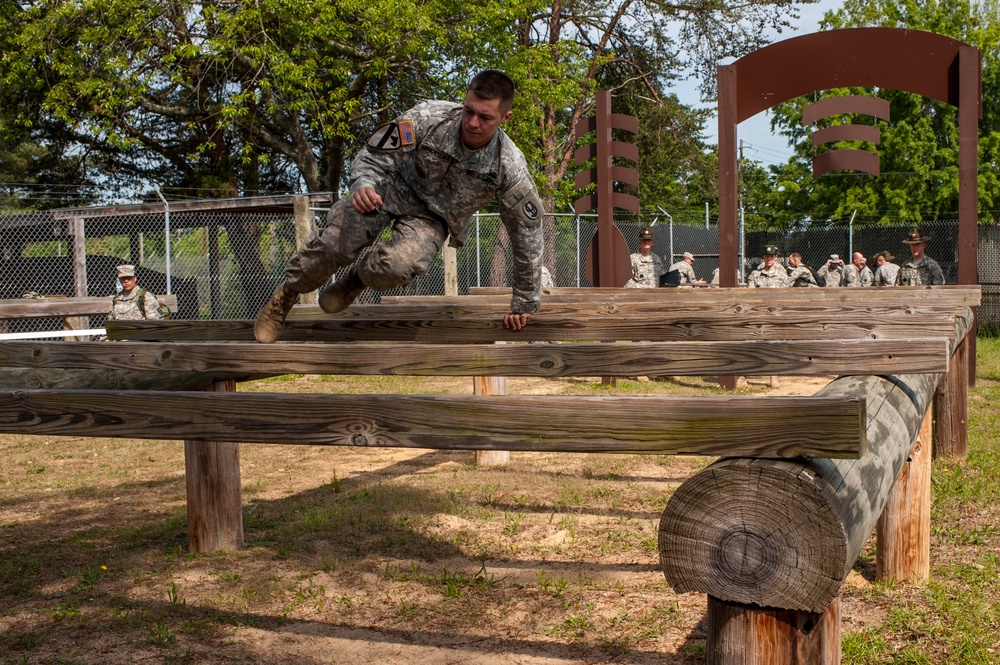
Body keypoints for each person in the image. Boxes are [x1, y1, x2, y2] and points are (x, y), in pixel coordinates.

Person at [253, 70, 545, 343]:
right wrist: (363, 184)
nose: (472, 122)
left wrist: (524, 301)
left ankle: (355, 281)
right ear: (464, 99)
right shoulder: (429, 118)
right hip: (389, 189)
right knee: (334, 244)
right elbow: (374, 155)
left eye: (485, 117)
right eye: (469, 110)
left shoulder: (509, 166)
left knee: (399, 265)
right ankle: (286, 295)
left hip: (433, 217)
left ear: (504, 118)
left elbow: (527, 235)